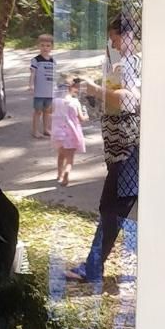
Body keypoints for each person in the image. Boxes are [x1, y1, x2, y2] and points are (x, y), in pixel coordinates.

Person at [66, 14, 141, 283]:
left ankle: (93, 267)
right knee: (112, 207)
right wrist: (89, 93)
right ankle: (94, 265)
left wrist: (95, 89)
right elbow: (109, 104)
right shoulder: (120, 64)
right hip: (119, 149)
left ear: (130, 35)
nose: (114, 45)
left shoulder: (135, 64)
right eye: (111, 40)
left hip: (130, 151)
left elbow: (128, 101)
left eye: (116, 38)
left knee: (112, 208)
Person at [51, 77, 88, 186]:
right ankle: (66, 175)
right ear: (72, 88)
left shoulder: (56, 101)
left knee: (60, 155)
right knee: (70, 159)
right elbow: (81, 118)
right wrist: (86, 116)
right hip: (71, 134)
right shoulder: (75, 102)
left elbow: (50, 112)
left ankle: (59, 174)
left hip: (58, 134)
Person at [29, 33, 56, 138]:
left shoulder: (53, 60)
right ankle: (35, 131)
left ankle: (46, 129)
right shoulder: (36, 60)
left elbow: (55, 75)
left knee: (48, 111)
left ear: (51, 47)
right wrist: (31, 85)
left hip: (50, 92)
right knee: (38, 111)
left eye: (48, 45)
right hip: (39, 92)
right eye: (43, 45)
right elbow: (32, 73)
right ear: (38, 46)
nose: (45, 48)